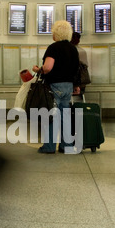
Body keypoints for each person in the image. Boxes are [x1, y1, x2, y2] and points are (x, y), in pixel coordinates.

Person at [32, 20, 79, 154]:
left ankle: (49, 147)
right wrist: (75, 85)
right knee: (65, 116)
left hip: (54, 86)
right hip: (68, 86)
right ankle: (66, 145)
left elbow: (47, 68)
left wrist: (37, 69)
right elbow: (76, 69)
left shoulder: (54, 47)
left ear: (56, 33)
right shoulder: (73, 49)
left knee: (51, 115)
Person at [71, 32, 89, 101]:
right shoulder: (82, 51)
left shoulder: (72, 51)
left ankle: (72, 111)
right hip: (82, 80)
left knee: (72, 99)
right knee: (80, 99)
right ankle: (78, 111)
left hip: (75, 80)